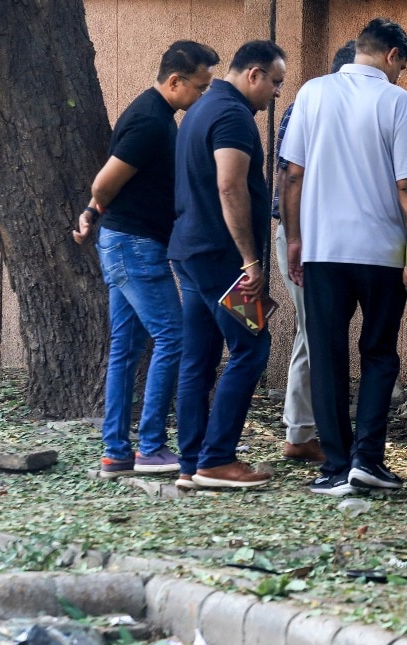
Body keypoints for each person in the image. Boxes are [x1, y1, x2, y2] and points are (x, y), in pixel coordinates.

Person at [280, 18, 407, 496]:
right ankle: (368, 459)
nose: (402, 75)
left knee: (326, 355)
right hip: (381, 251)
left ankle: (334, 467)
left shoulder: (311, 93)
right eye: (403, 66)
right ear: (392, 56)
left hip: (323, 248)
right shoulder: (398, 102)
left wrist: (295, 238)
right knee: (379, 354)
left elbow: (292, 174)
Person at [74, 41, 219, 479]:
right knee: (172, 338)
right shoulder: (149, 120)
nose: (203, 96)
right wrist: (94, 205)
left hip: (125, 242)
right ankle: (151, 447)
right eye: (200, 87)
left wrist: (93, 214)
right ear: (174, 81)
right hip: (135, 247)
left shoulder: (156, 116)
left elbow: (119, 187)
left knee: (127, 347)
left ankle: (116, 452)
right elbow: (105, 182)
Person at [167, 40, 287, 489]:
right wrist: (250, 261)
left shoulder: (200, 108)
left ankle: (191, 461)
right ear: (253, 73)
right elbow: (230, 187)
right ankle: (216, 460)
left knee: (199, 358)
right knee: (252, 348)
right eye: (275, 82)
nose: (276, 92)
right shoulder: (233, 116)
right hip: (221, 259)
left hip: (191, 252)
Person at [270, 40, 356, 466]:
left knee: (315, 331)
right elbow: (291, 177)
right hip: (302, 235)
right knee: (313, 332)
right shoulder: (312, 106)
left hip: (311, 235)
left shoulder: (317, 106)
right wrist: (296, 238)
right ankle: (300, 433)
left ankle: (304, 429)